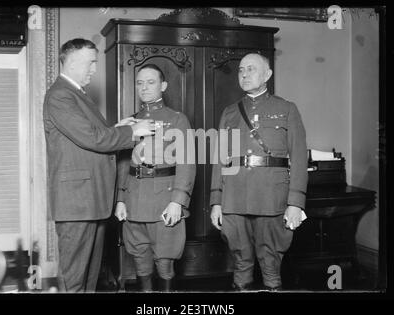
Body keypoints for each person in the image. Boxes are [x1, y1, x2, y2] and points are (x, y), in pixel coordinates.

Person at [43, 38, 155, 292]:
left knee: (89, 279)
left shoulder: (75, 95)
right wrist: (131, 131)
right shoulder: (60, 95)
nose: (94, 69)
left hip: (90, 200)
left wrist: (116, 129)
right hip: (77, 202)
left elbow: (87, 135)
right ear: (71, 62)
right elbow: (92, 138)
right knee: (74, 281)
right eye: (91, 62)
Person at [210, 53, 308, 291]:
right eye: (241, 70)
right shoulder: (230, 112)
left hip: (271, 195)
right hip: (234, 196)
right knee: (240, 259)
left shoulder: (286, 108)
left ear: (267, 74)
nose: (244, 74)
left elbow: (298, 158)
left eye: (251, 69)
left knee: (271, 260)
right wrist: (216, 200)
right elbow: (219, 160)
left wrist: (296, 203)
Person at [115, 64, 196, 292]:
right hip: (134, 200)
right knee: (140, 260)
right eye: (140, 83)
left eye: (151, 82)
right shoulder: (130, 122)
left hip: (164, 200)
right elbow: (123, 164)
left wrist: (177, 202)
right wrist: (120, 199)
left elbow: (187, 164)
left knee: (165, 260)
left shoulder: (177, 120)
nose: (144, 87)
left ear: (163, 86)